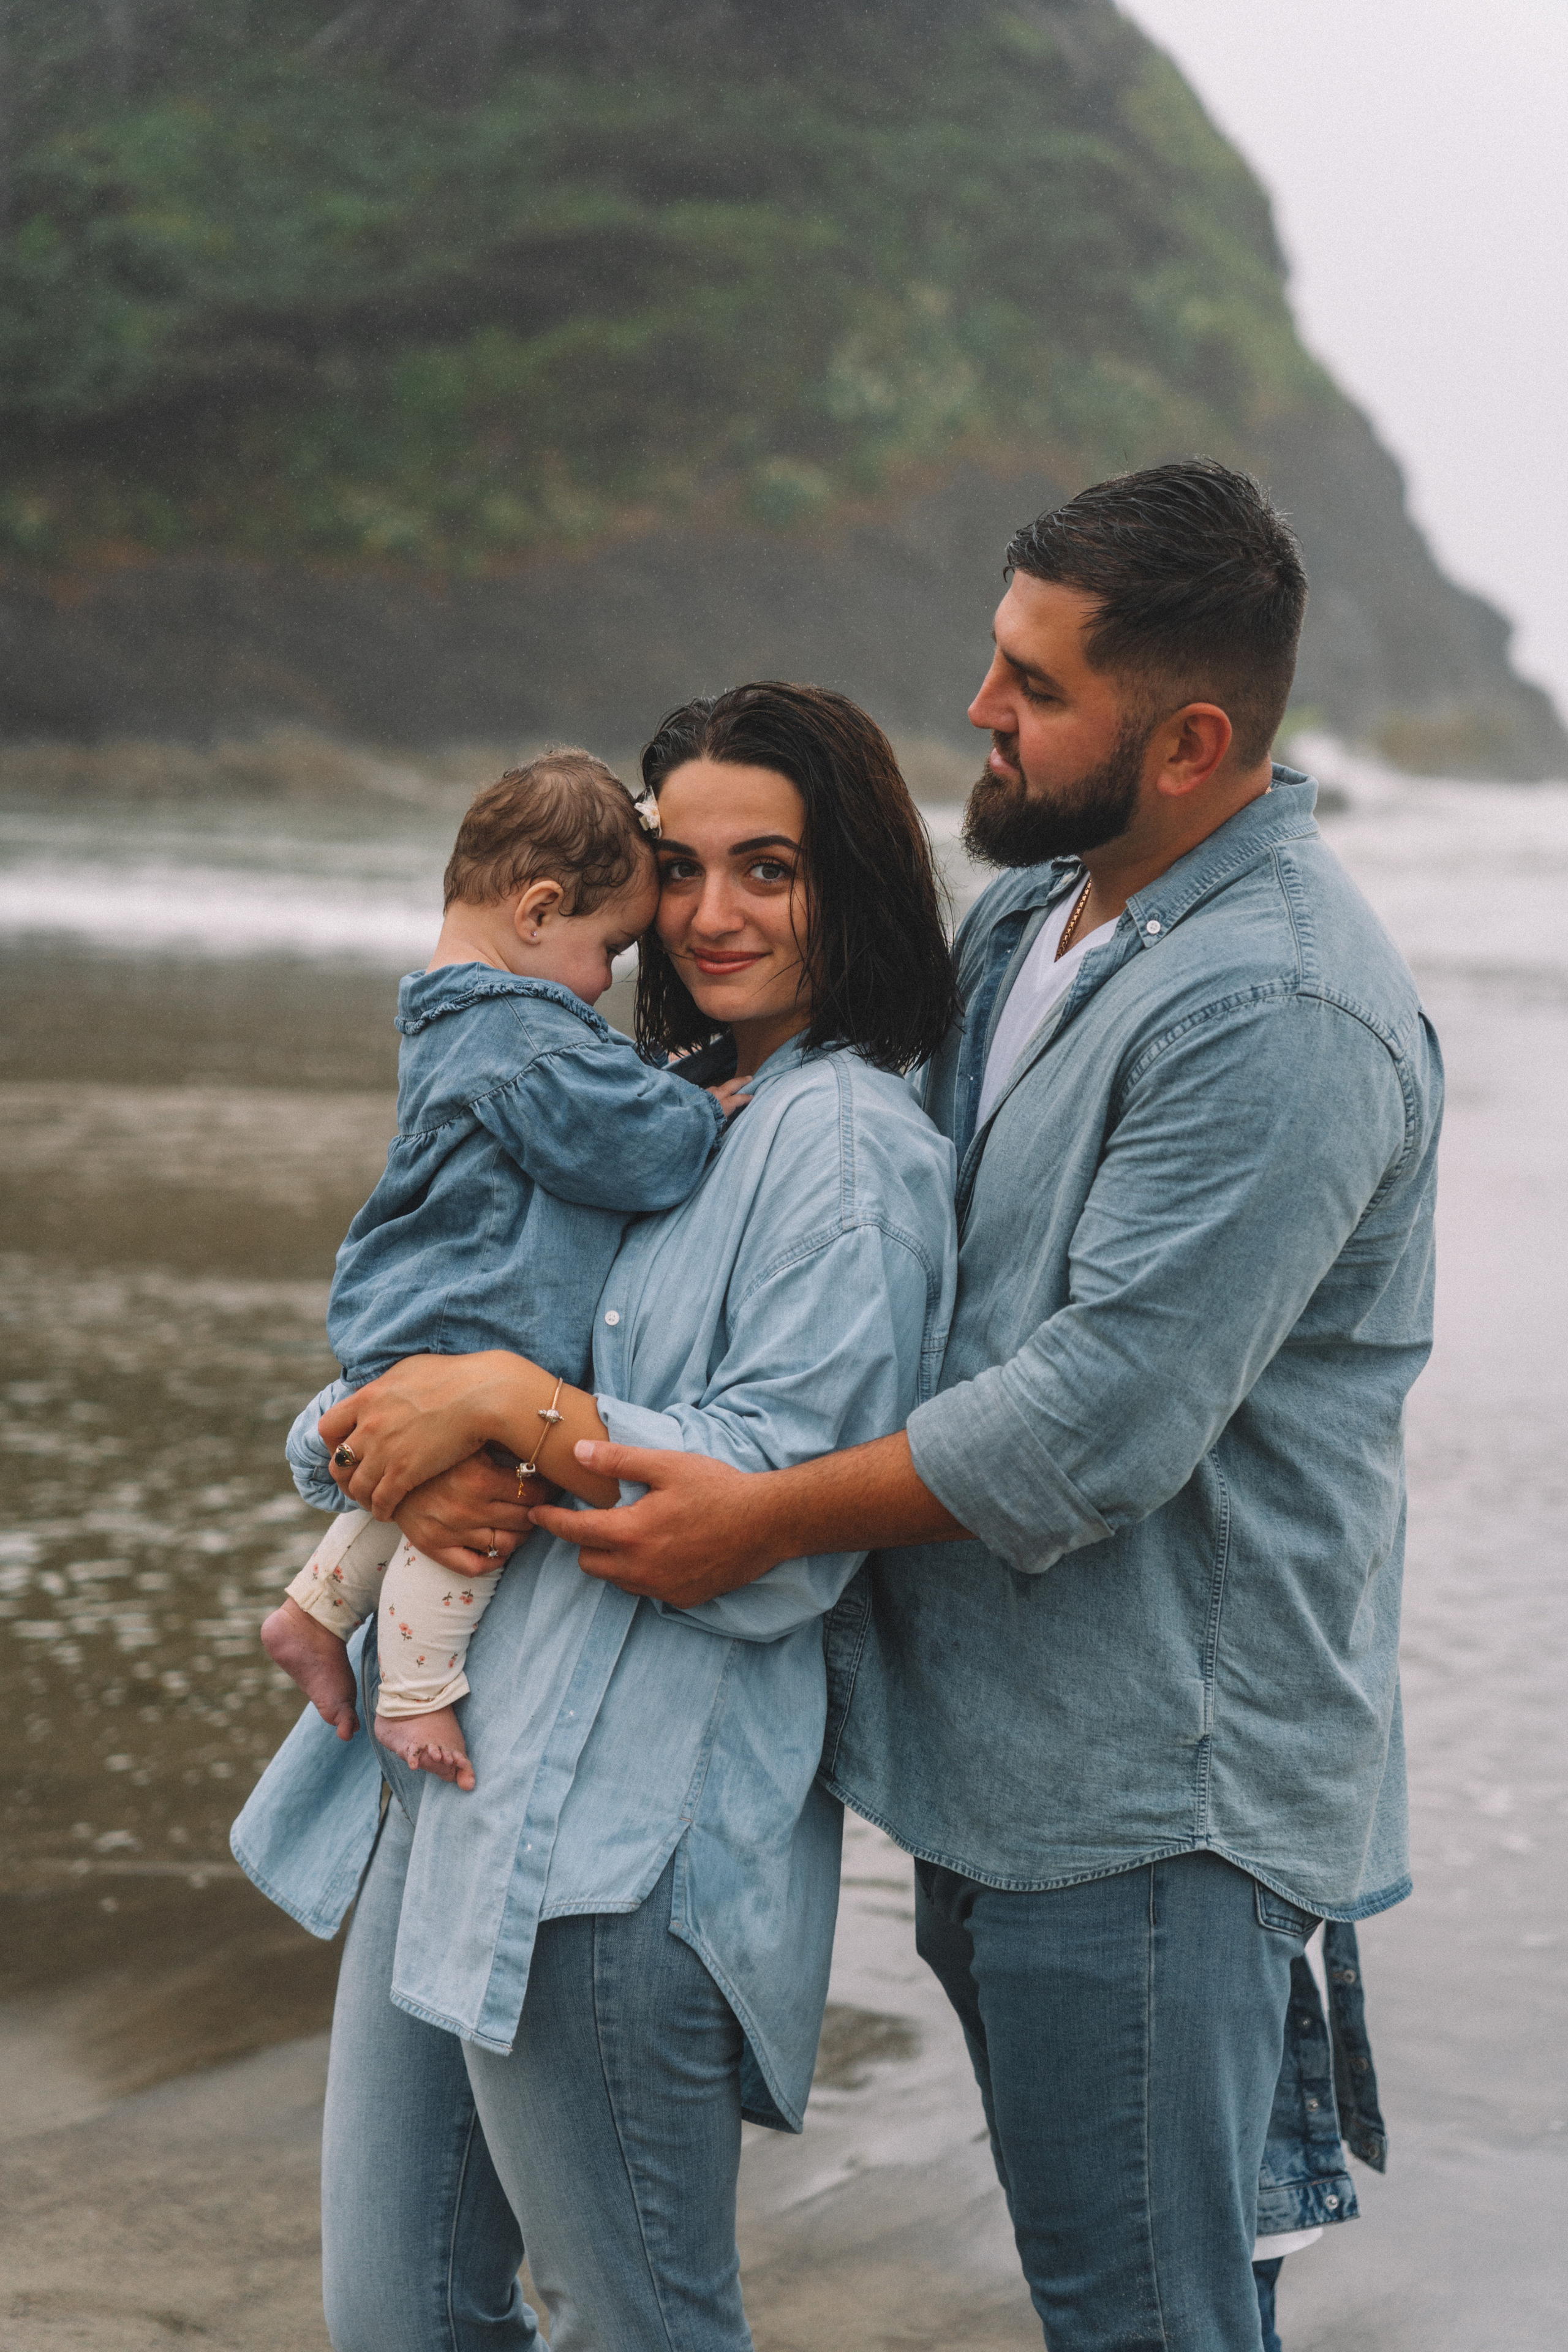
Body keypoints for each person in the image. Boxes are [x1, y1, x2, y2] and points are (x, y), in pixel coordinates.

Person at [511, 462, 1442, 2351]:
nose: (980, 710)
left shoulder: (1282, 1009)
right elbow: (839, 1212)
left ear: (1187, 740)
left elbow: (1097, 1418)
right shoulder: (1045, 923)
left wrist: (752, 1518)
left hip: (1159, 1805)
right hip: (1005, 1774)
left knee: (1144, 2318)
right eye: (994, 657)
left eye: (1032, 684)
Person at [232, 682, 960, 2350]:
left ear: (848, 882)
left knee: (633, 2327)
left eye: (765, 869)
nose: (710, 916)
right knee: (396, 2321)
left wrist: (511, 1416)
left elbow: (781, 1526)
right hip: (452, 1805)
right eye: (681, 872)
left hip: (619, 1846)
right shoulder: (616, 1105)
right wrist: (392, 1428)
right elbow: (414, 1354)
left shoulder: (842, 1147)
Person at [258, 748, 742, 1790]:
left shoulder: (456, 1016)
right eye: (608, 945)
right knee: (484, 1508)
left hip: (417, 1318)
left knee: (412, 1497)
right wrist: (700, 1111)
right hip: (470, 1323)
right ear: (538, 909)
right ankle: (416, 1696)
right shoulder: (522, 1034)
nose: (613, 978)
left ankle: (312, 1613)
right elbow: (628, 1147)